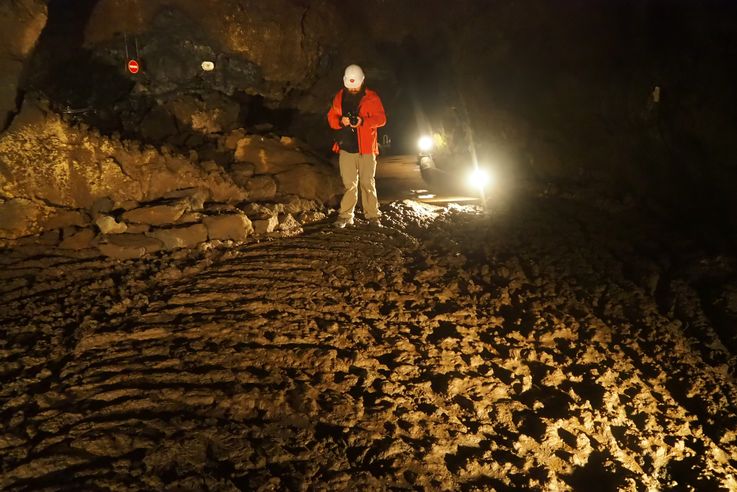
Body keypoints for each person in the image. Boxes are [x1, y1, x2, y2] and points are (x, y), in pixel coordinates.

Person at [327, 64, 387, 228]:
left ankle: (373, 216)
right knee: (349, 184)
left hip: (366, 148)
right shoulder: (339, 97)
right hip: (346, 147)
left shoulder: (372, 97)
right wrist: (341, 121)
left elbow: (382, 119)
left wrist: (363, 122)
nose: (353, 89)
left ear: (362, 81)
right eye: (350, 86)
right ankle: (346, 216)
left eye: (356, 85)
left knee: (367, 182)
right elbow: (331, 118)